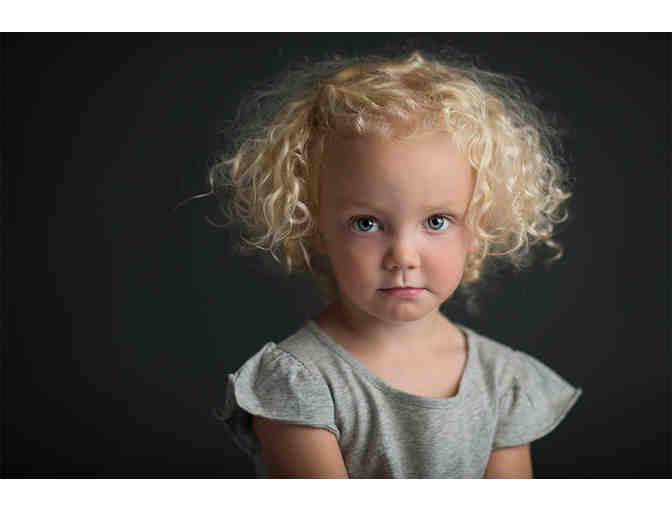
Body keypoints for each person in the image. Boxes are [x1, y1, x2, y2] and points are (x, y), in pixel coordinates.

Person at [211, 50, 582, 478]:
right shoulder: (301, 382)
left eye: (437, 221)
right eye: (366, 223)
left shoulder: (503, 381)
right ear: (314, 226)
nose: (403, 256)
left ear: (478, 226)